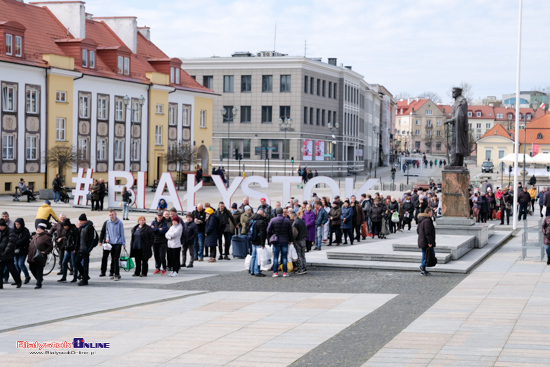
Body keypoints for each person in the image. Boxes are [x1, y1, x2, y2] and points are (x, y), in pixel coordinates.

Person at [267, 207, 294, 277]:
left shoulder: (273, 220)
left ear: (276, 212)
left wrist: (271, 236)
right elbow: (290, 232)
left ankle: (275, 272)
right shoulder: (287, 220)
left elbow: (268, 230)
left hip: (276, 240)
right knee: (284, 257)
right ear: (282, 212)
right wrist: (291, 240)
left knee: (275, 257)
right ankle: (285, 272)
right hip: (285, 240)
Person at [27, 223, 53, 288]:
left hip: (40, 256)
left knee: (39, 270)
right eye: (38, 229)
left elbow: (50, 246)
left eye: (40, 229)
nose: (38, 230)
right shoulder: (35, 236)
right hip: (32, 256)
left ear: (43, 230)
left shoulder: (46, 237)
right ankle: (39, 279)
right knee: (32, 268)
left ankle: (38, 283)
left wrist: (45, 252)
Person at [0, 219, 21, 289]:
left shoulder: (10, 231)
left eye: (1, 226)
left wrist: (6, 252)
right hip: (1, 255)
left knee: (12, 269)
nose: (0, 227)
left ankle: (18, 282)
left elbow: (11, 243)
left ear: (5, 226)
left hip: (8, 255)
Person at [105, 210, 125, 280]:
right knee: (113, 259)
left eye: (112, 215)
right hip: (111, 243)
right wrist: (107, 238)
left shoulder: (119, 223)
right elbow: (107, 231)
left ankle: (116, 274)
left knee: (116, 258)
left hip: (118, 243)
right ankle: (117, 273)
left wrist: (123, 243)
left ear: (115, 214)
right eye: (110, 215)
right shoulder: (108, 222)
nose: (111, 216)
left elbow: (122, 233)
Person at [75, 214, 95, 286]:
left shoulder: (89, 227)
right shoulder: (80, 228)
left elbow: (92, 240)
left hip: (86, 249)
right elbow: (78, 239)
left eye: (81, 221)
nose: (79, 222)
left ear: (84, 221)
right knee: (77, 262)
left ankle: (85, 280)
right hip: (80, 249)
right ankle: (85, 276)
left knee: (86, 265)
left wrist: (88, 249)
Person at [247, 209, 268, 277]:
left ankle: (252, 270)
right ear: (262, 214)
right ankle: (257, 271)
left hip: (253, 240)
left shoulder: (251, 220)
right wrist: (262, 243)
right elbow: (262, 234)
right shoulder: (261, 222)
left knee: (253, 255)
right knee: (258, 257)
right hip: (258, 241)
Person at [57, 219, 78, 283]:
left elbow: (77, 240)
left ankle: (75, 277)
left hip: (72, 249)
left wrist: (75, 248)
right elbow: (66, 238)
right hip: (68, 248)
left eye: (65, 226)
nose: (64, 227)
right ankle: (64, 277)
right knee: (64, 262)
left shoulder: (74, 230)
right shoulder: (66, 230)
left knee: (74, 264)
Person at [12, 218, 31, 285]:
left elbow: (25, 239)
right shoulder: (13, 230)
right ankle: (18, 279)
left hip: (23, 250)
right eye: (16, 224)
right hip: (15, 250)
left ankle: (27, 276)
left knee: (20, 264)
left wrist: (16, 243)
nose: (17, 225)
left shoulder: (25, 230)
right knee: (16, 264)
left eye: (18, 224)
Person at [417, 207, 436, 276]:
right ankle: (422, 266)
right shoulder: (427, 220)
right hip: (426, 241)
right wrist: (430, 242)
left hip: (422, 240)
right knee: (430, 254)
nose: (432, 213)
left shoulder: (421, 220)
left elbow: (418, 231)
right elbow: (428, 233)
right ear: (429, 212)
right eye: (431, 212)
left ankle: (423, 269)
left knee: (425, 254)